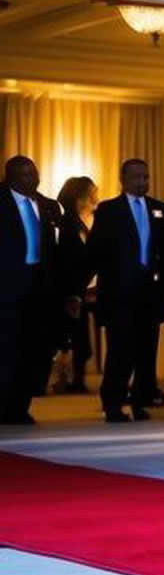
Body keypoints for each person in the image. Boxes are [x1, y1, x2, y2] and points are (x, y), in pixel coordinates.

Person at [91, 159, 164, 422]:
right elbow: (95, 252)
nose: (142, 181)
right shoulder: (108, 211)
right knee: (120, 349)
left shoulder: (163, 211)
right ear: (123, 179)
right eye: (136, 177)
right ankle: (112, 403)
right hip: (119, 293)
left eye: (146, 176)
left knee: (147, 349)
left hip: (151, 292)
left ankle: (141, 400)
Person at [2, 156, 60, 424]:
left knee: (33, 350)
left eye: (34, 173)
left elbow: (58, 251)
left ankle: (20, 406)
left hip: (40, 290)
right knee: (7, 350)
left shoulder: (47, 206)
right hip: (7, 289)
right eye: (26, 174)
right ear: (11, 177)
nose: (33, 178)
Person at [53, 176, 98, 394]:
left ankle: (75, 380)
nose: (95, 197)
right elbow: (67, 262)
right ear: (80, 197)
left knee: (80, 340)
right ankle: (71, 380)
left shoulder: (80, 223)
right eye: (92, 193)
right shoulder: (66, 225)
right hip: (69, 291)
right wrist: (74, 293)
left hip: (80, 290)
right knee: (73, 340)